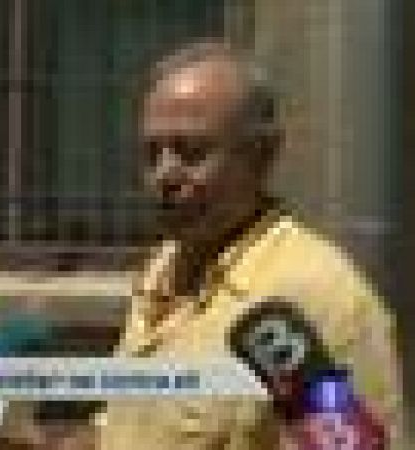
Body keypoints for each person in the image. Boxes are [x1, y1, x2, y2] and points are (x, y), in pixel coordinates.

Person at [93, 40, 405, 449]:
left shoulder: (313, 300)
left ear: (262, 156)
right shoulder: (164, 268)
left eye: (191, 152)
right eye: (152, 153)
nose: (165, 174)